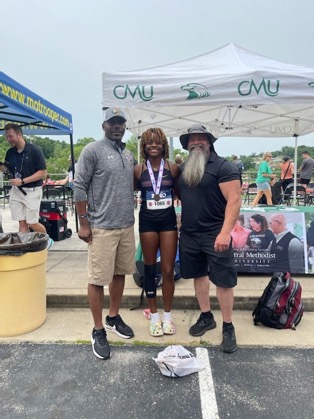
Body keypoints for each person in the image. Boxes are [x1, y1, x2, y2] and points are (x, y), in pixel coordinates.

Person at [73, 108, 136, 360]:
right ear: (104, 125)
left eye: (121, 123)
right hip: (101, 227)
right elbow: (79, 186)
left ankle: (112, 317)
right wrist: (83, 222)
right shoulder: (92, 150)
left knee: (120, 274)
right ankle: (98, 329)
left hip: (126, 226)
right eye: (113, 122)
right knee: (98, 279)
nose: (117, 126)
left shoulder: (129, 153)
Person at [178, 124, 242, 353]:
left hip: (216, 234)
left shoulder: (224, 166)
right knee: (198, 276)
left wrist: (225, 233)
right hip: (189, 234)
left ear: (209, 142)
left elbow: (234, 200)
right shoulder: (185, 167)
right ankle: (206, 316)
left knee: (223, 281)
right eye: (191, 139)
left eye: (201, 138)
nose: (196, 142)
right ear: (186, 145)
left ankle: (227, 325)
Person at [134, 128, 180, 337]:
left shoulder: (173, 168)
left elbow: (180, 194)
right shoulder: (137, 169)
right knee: (150, 270)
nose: (154, 145)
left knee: (168, 270)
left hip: (168, 222)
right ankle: (154, 317)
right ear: (144, 146)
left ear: (164, 145)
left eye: (157, 142)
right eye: (149, 142)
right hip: (147, 222)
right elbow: (132, 193)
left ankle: (168, 317)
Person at [0, 123, 48, 235]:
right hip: (16, 191)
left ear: (19, 135)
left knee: (32, 223)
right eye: (6, 137)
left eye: (10, 136)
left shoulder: (35, 150)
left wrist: (22, 181)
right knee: (22, 222)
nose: (8, 139)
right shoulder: (10, 152)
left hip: (32, 191)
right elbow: (7, 170)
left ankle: (46, 241)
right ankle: (24, 247)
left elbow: (42, 173)